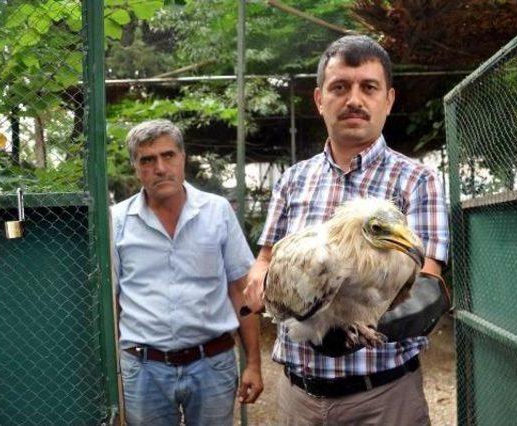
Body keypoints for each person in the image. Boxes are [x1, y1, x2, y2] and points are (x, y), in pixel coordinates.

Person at [243, 35, 449, 425]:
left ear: (388, 99)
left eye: (368, 87)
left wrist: (352, 327)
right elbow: (265, 259)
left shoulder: (418, 181)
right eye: (340, 87)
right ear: (320, 100)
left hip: (382, 397)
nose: (354, 99)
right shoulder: (292, 180)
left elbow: (426, 282)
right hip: (299, 395)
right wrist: (262, 281)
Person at [111, 119, 263, 425]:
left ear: (184, 158)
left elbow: (240, 290)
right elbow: (111, 301)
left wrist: (254, 364)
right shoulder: (116, 221)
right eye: (147, 160)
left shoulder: (217, 212)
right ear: (135, 167)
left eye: (168, 155)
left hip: (212, 363)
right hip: (144, 369)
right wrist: (115, 373)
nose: (160, 168)